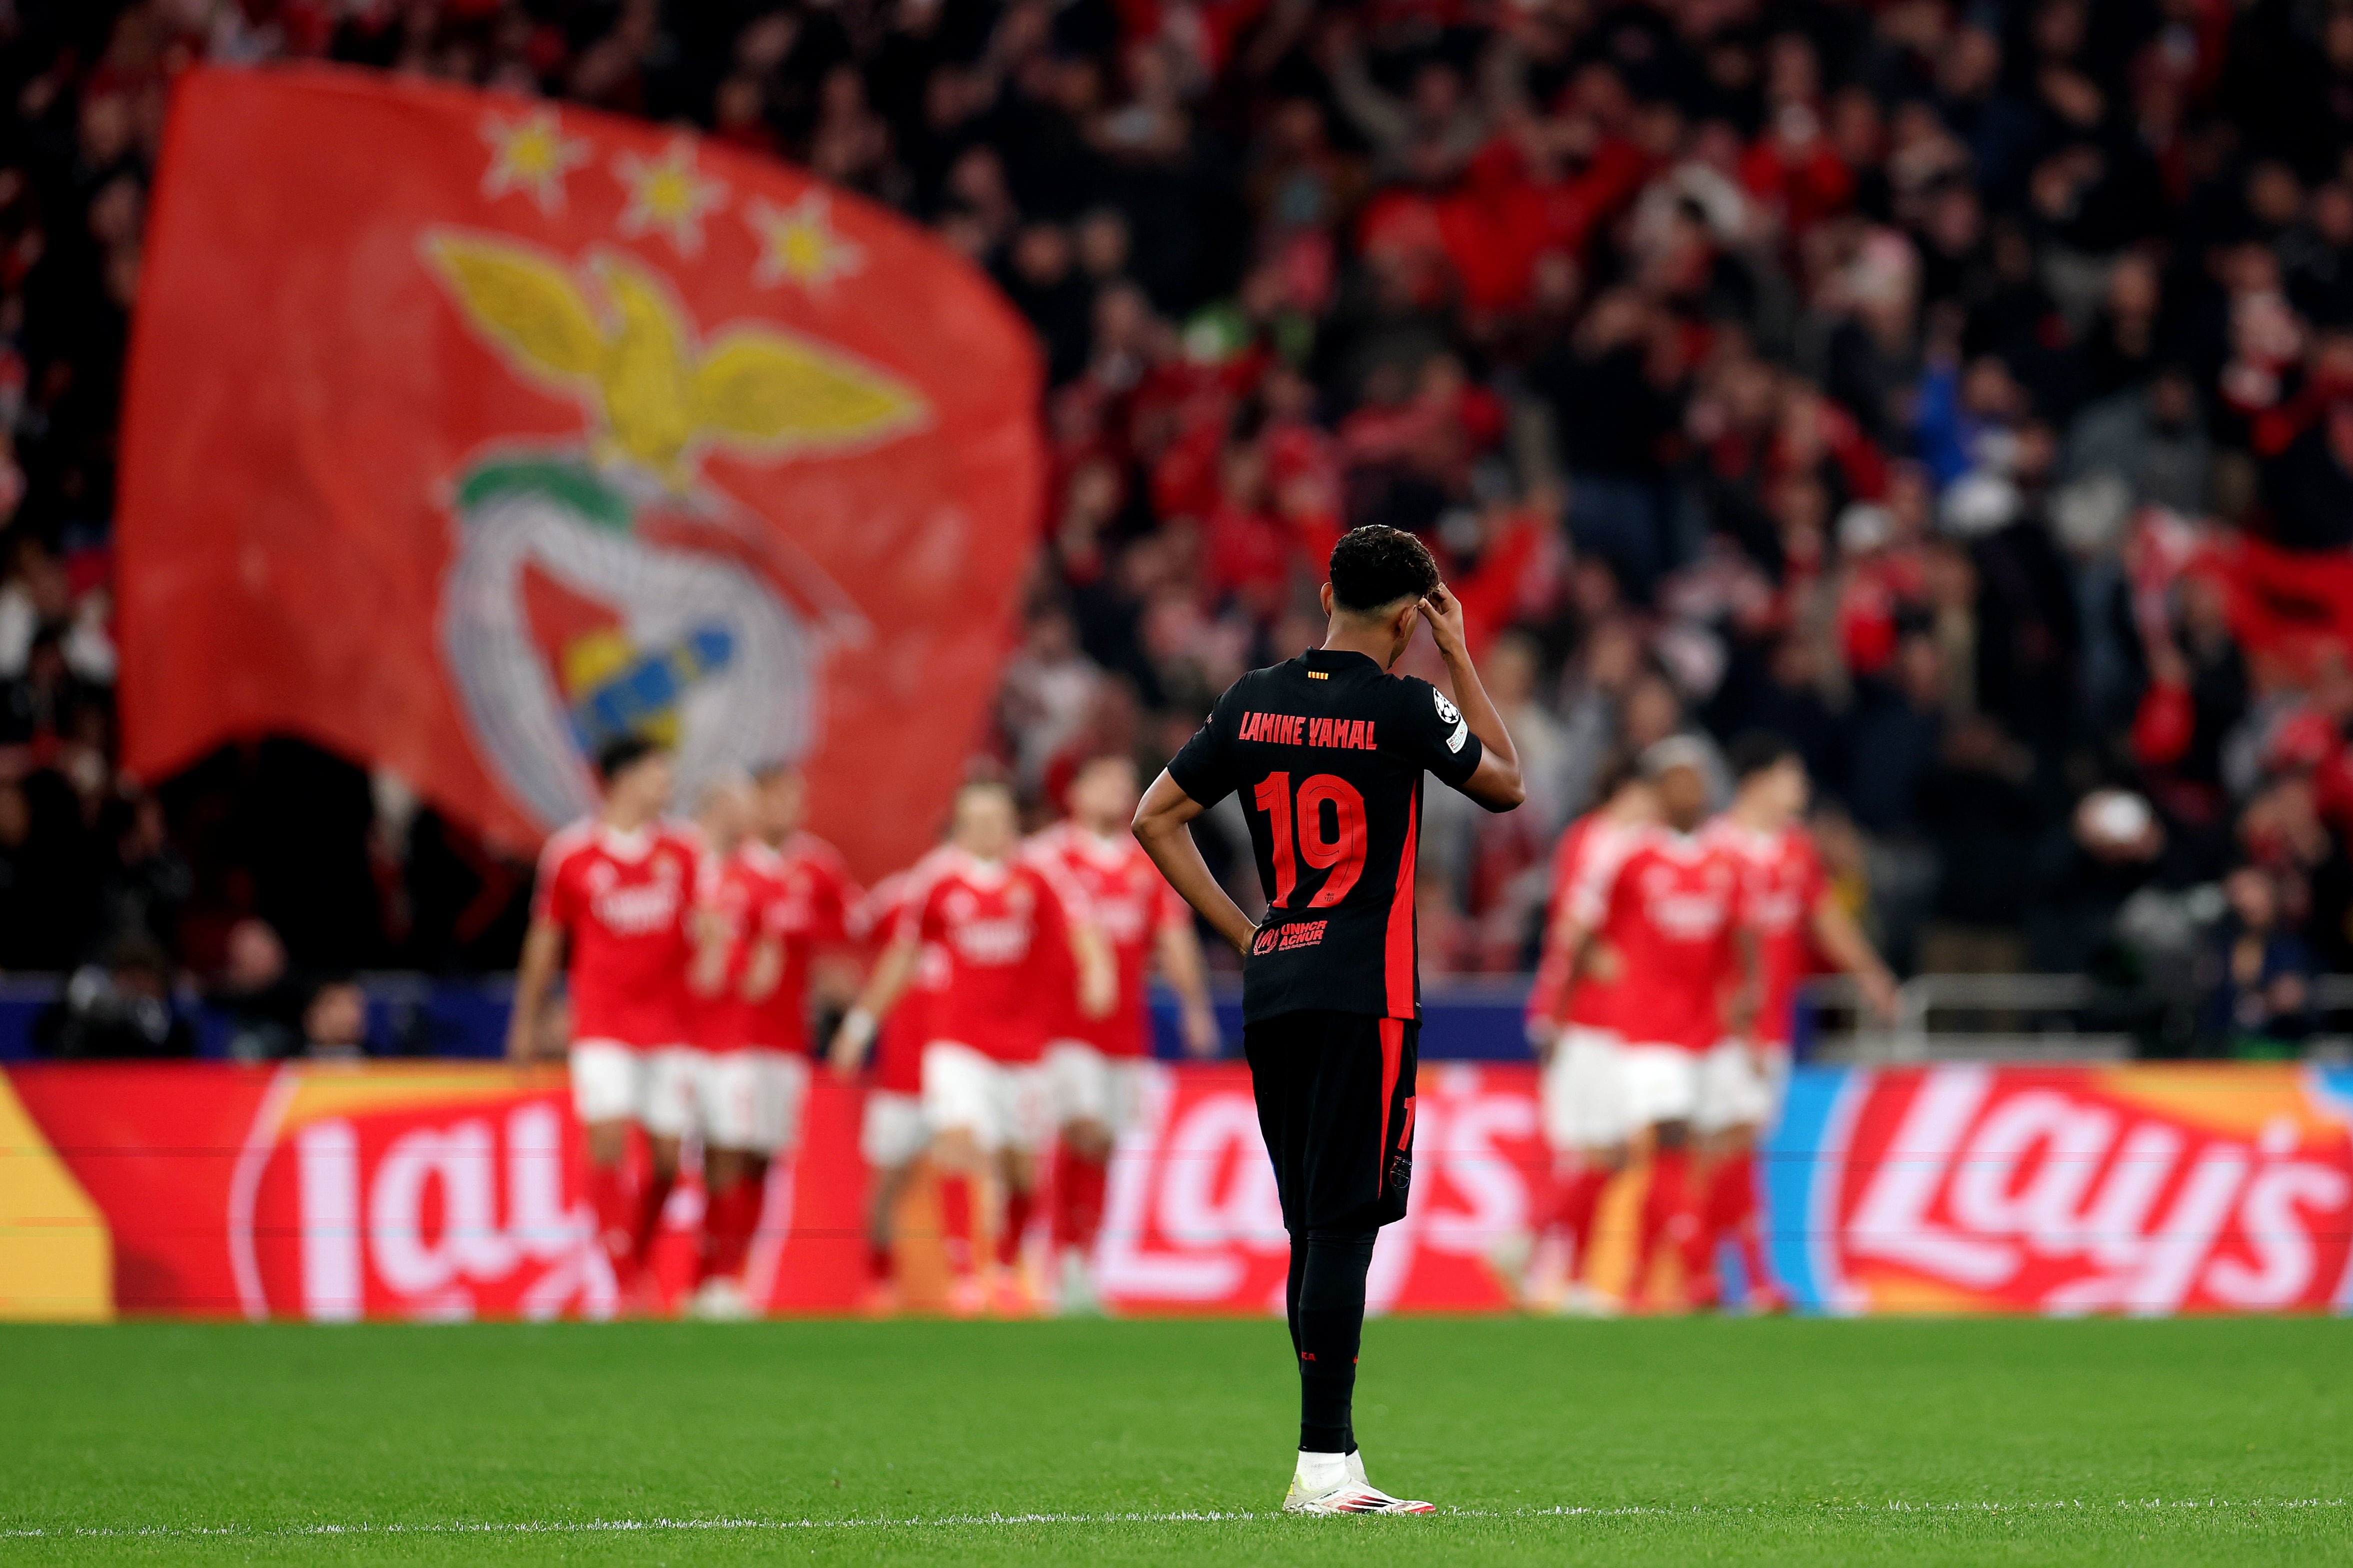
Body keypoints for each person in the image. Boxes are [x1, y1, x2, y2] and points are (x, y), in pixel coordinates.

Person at [1132, 525, 1524, 1517]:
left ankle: (1333, 1458)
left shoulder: (1251, 698)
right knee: (1343, 1222)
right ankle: (1320, 1467)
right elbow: (1506, 782)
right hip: (1366, 992)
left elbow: (1155, 816)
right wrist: (1461, 656)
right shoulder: (1404, 705)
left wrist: (1244, 930)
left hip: (1278, 986)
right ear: (1410, 619)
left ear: (1323, 593)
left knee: (1312, 1222)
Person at [830, 780, 1114, 1315]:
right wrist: (861, 1022)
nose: (988, 828)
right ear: (960, 825)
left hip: (1025, 1048)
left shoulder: (1038, 873)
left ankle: (1005, 1266)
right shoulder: (935, 878)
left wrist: (1097, 970)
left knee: (1021, 1169)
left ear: (1012, 822)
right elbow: (902, 954)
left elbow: (1081, 927)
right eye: (977, 818)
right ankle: (965, 1276)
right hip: (957, 1044)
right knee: (958, 1144)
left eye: (997, 817)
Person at [1550, 737, 1754, 1312]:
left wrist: (1747, 996)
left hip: (1708, 1030)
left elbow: (1741, 935)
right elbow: (1583, 930)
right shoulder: (1631, 856)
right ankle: (1699, 1275)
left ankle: (1646, 1281)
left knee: (1719, 1143)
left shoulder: (1723, 859)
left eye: (1698, 778)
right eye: (1680, 779)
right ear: (1660, 790)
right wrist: (1564, 1010)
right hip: (1647, 1030)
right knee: (1663, 1136)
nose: (1692, 789)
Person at [1696, 734, 1897, 1310]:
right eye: (1792, 775)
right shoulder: (1714, 848)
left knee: (1735, 1146)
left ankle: (1704, 1274)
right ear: (1757, 780)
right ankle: (1740, 1279)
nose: (1801, 788)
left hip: (1776, 1021)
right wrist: (1737, 1022)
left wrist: (1869, 973)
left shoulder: (1793, 849)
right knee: (1724, 1143)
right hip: (1719, 1025)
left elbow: (1824, 916)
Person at [508, 735, 700, 1313]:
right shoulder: (571, 853)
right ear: (621, 779)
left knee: (667, 1159)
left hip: (671, 1026)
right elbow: (546, 940)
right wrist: (528, 1017)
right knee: (609, 1140)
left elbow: (705, 932)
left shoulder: (684, 851)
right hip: (602, 1024)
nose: (667, 785)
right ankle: (620, 1281)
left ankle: (635, 1259)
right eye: (657, 774)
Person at [1026, 754, 1222, 1314]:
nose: (1119, 789)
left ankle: (1082, 1266)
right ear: (1075, 792)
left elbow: (1172, 934)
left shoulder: (1145, 860)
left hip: (1122, 1030)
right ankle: (1057, 1260)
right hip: (1059, 1026)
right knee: (1080, 1127)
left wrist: (1195, 1007)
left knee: (1106, 1141)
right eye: (1105, 779)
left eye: (1124, 780)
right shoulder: (1046, 857)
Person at [1511, 757, 1656, 1316]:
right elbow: (1574, 927)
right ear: (1626, 789)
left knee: (1608, 1152)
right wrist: (1561, 999)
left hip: (1615, 1021)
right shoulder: (1602, 840)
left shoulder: (1600, 839)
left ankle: (1563, 1273)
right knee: (1600, 1150)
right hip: (1593, 1022)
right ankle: (1534, 1247)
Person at [722, 765, 858, 1311]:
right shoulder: (729, 870)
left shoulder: (817, 866)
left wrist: (835, 976)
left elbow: (851, 925)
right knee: (730, 1150)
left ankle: (739, 1282)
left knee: (763, 1155)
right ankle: (715, 1275)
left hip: (785, 1038)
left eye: (795, 796)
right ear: (754, 801)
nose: (789, 806)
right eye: (777, 795)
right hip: (728, 1039)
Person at [839, 860, 950, 1313]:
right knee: (888, 1183)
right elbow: (848, 932)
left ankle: (971, 1280)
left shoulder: (1010, 896)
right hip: (903, 1072)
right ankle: (879, 1283)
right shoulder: (901, 897)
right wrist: (855, 1018)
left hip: (963, 1066)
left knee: (970, 1175)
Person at [680, 771, 768, 1320]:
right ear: (717, 805)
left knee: (728, 1153)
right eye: (744, 805)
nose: (751, 817)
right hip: (676, 1038)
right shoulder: (677, 864)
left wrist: (761, 964)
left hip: (731, 1039)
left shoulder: (753, 875)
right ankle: (642, 1275)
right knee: (668, 1155)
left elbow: (765, 942)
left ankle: (717, 1280)